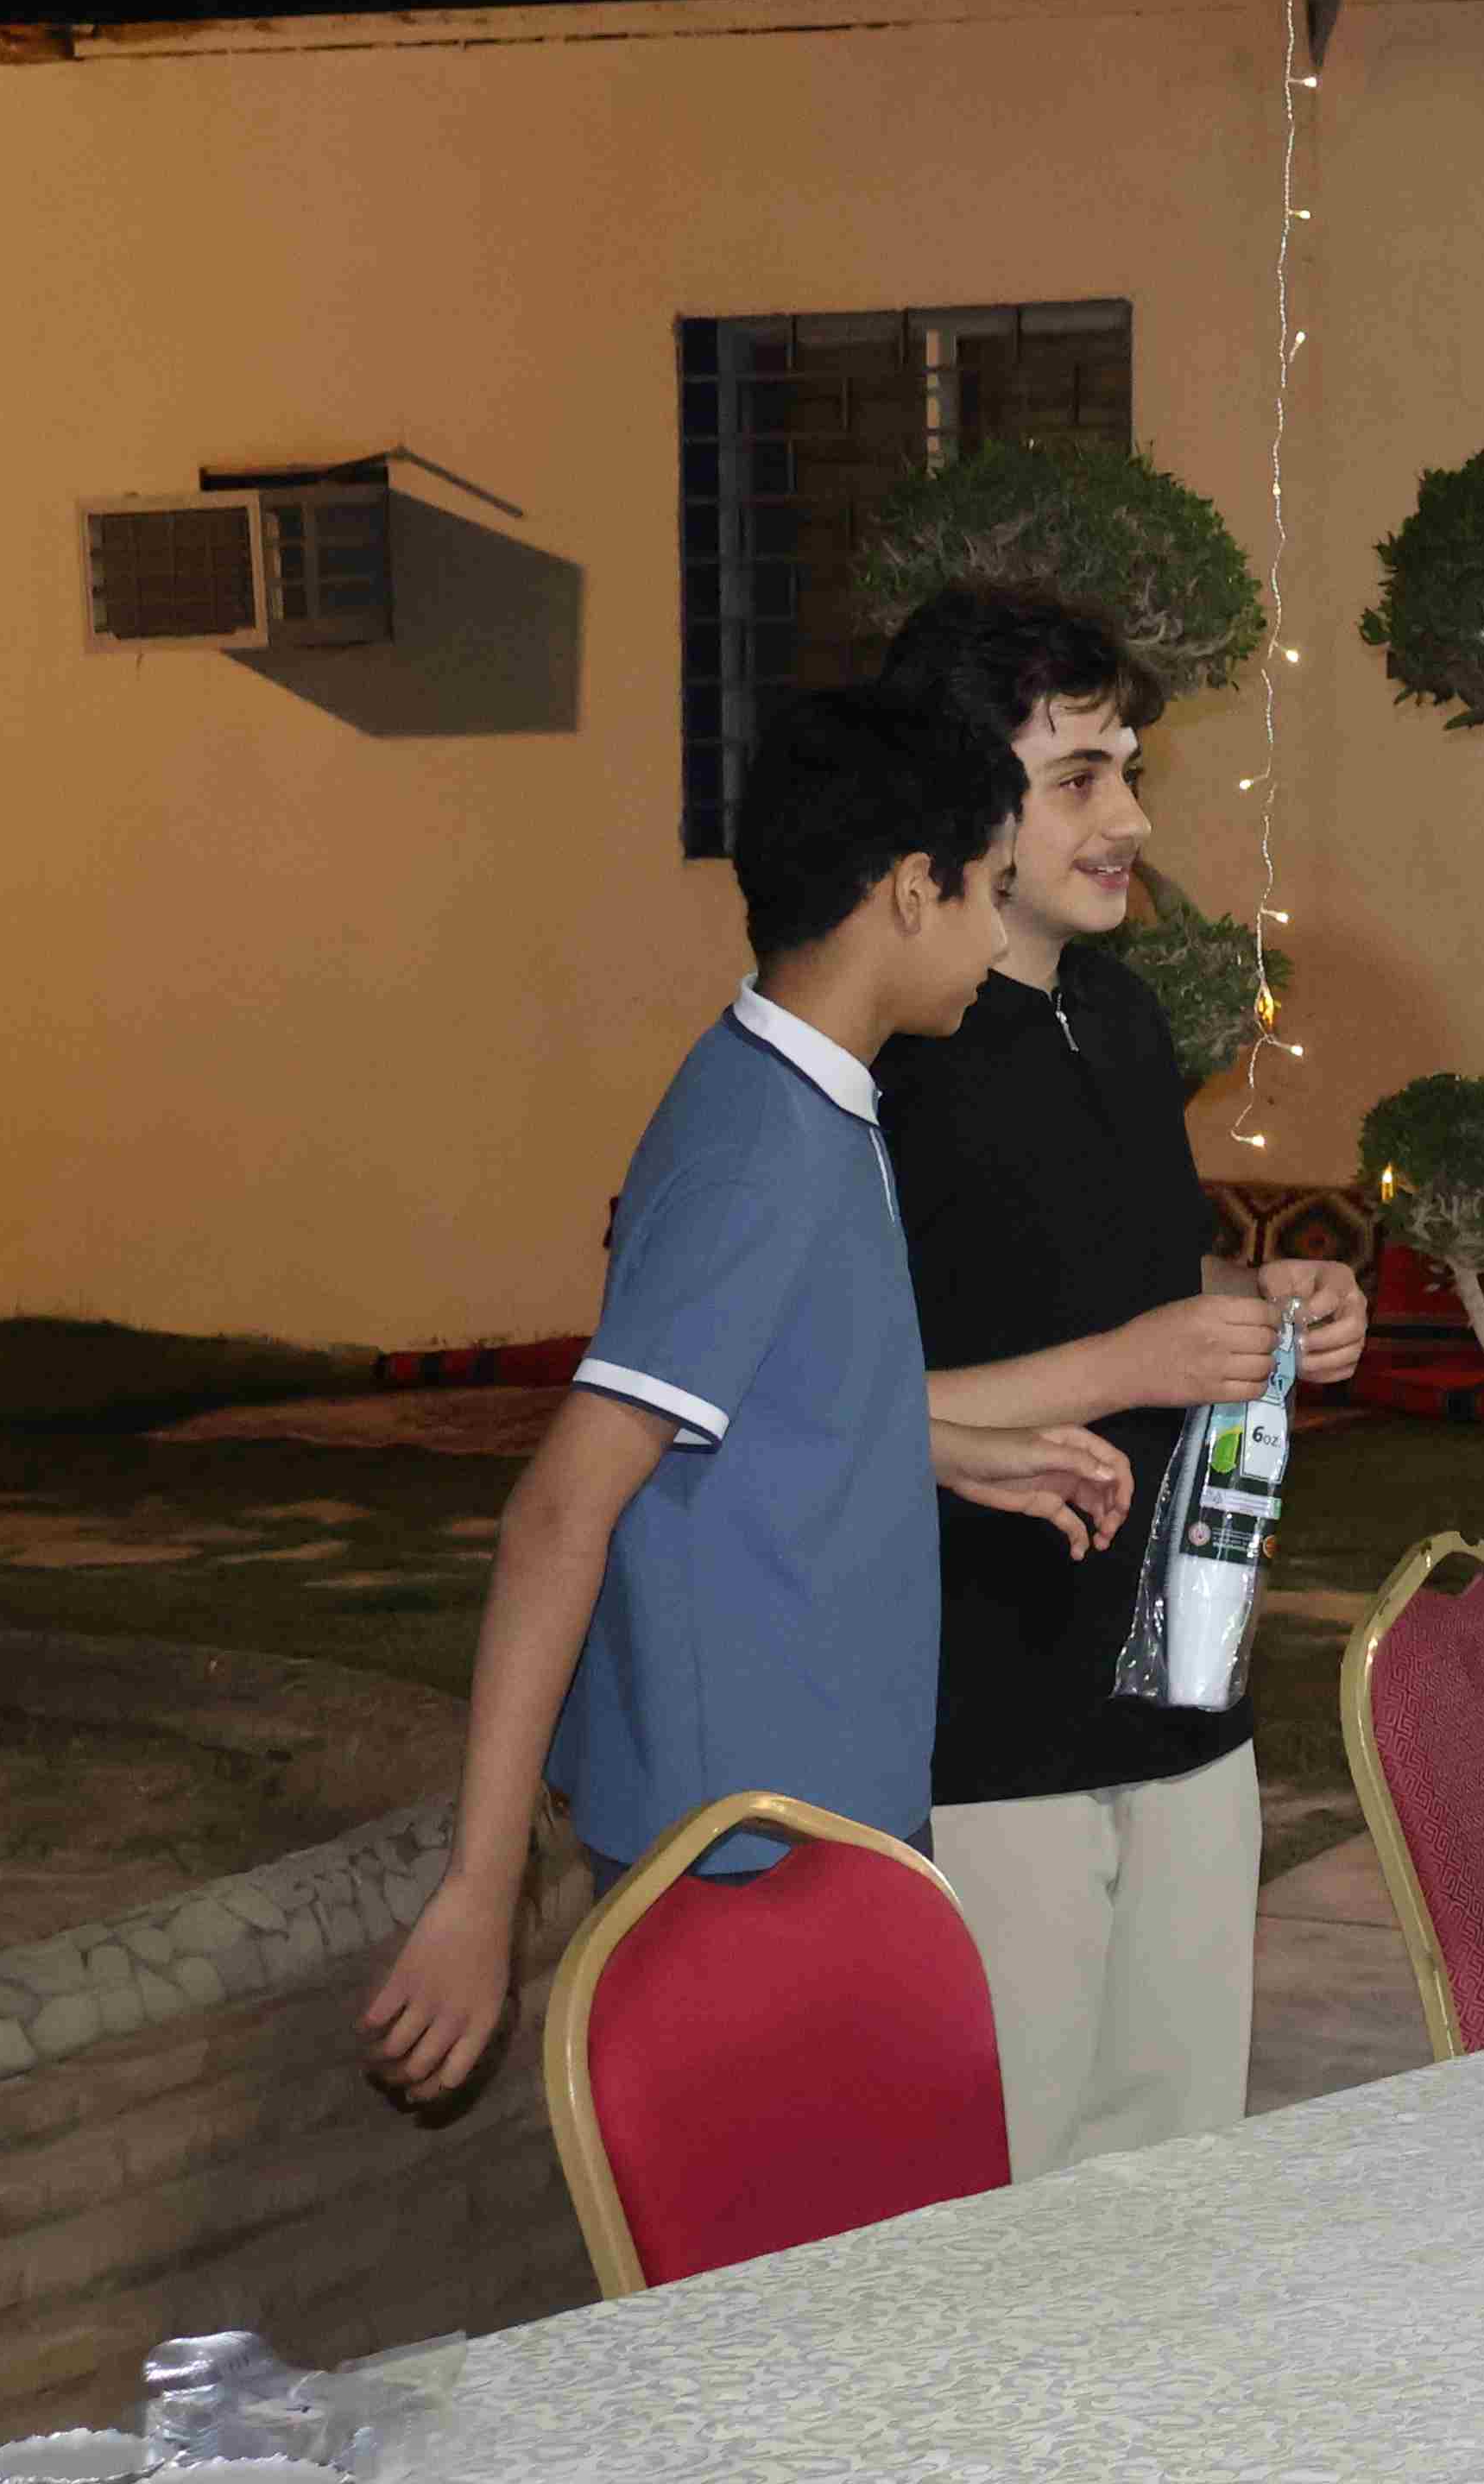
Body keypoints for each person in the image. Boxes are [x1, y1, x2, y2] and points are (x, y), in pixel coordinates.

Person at [363, 685, 1115, 2104]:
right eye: (990, 892)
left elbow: (767, 1395)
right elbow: (560, 1510)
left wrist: (952, 1452)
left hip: (820, 1812)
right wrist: (479, 1891)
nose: (996, 938)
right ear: (913, 892)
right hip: (739, 1848)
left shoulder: (814, 1099)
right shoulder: (760, 1148)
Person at [871, 591, 1372, 2178]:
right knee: (1017, 2201)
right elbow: (851, 1399)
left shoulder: (1122, 1013)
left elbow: (1132, 1282)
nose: (1131, 821)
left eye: (1130, 773)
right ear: (964, 802)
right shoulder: (892, 1052)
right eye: (1078, 780)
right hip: (989, 1719)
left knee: (1181, 2175)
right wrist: (1141, 1357)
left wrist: (1260, 1305)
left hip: (1184, 1685)